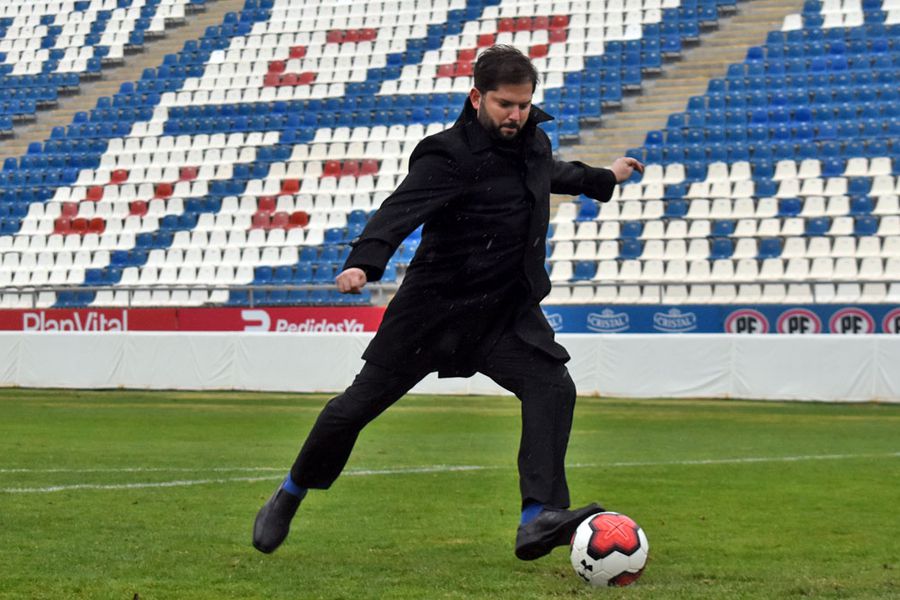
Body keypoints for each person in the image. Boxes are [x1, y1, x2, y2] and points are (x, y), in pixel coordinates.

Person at [253, 45, 644, 560]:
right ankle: (291, 491)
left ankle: (538, 516)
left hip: (501, 315)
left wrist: (607, 176)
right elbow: (399, 210)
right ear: (477, 97)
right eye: (506, 104)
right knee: (352, 410)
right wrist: (365, 263)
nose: (517, 115)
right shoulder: (447, 154)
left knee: (552, 385)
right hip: (432, 313)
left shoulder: (532, 145)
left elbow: (554, 172)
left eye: (525, 105)